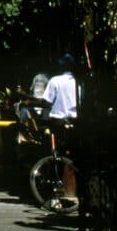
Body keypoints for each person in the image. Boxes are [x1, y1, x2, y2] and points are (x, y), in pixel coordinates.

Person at [40, 53, 78, 204]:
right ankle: (71, 190)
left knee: (60, 155)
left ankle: (64, 190)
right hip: (75, 120)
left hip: (59, 122)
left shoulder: (55, 80)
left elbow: (46, 101)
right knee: (73, 154)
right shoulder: (78, 80)